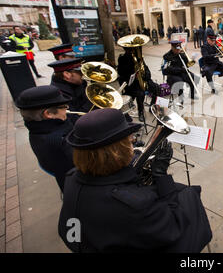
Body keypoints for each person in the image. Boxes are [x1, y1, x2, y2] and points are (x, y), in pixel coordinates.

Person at [58, 108, 212, 252]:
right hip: (123, 240)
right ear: (117, 152)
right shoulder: (136, 205)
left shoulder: (71, 177)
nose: (132, 143)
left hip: (88, 239)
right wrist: (160, 174)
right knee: (189, 195)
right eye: (129, 141)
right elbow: (172, 227)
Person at [15, 85, 75, 191]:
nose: (67, 110)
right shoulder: (61, 142)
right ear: (48, 114)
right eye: (64, 107)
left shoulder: (36, 127)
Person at [117, 45, 159, 122]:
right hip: (131, 83)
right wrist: (133, 72)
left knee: (156, 88)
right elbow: (121, 73)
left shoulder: (139, 57)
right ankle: (141, 112)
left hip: (143, 80)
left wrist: (146, 74)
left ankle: (152, 106)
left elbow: (146, 69)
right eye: (132, 49)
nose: (135, 50)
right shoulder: (122, 58)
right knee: (140, 94)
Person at [48, 58, 92, 124]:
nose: (83, 75)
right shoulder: (59, 95)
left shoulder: (77, 83)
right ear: (67, 74)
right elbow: (74, 119)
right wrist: (92, 100)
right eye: (80, 72)